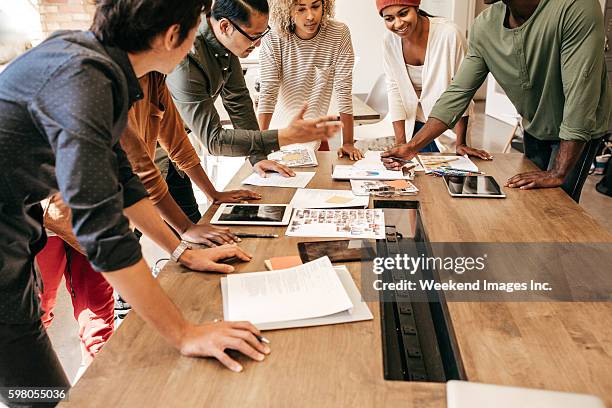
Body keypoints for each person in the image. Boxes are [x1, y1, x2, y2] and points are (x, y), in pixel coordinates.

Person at [0, 1, 269, 402]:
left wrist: (181, 248)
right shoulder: (85, 79)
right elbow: (101, 231)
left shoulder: (97, 64)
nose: (197, 40)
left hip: (16, 217)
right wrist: (183, 333)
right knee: (39, 392)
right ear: (172, 36)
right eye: (196, 30)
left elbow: (121, 176)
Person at [382, 0, 611, 202]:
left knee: (559, 212)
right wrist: (411, 147)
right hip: (535, 126)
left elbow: (581, 96)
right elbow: (457, 93)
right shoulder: (485, 25)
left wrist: (559, 172)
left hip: (577, 134)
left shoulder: (575, 7)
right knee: (529, 203)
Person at [166, 0, 342, 174]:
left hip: (176, 144)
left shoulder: (226, 41)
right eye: (252, 36)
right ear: (225, 27)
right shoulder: (186, 59)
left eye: (261, 34)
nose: (257, 44)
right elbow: (215, 140)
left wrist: (258, 158)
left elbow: (239, 102)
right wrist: (286, 136)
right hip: (153, 152)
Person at [377, 0, 490, 158]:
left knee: (447, 177)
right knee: (414, 177)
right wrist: (401, 143)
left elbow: (462, 90)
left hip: (446, 125)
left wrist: (460, 143)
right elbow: (394, 90)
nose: (398, 23)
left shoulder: (449, 34)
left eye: (403, 13)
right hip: (411, 123)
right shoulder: (389, 41)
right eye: (389, 19)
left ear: (416, 7)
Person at [258, 0, 364, 160]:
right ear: (286, 9)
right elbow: (268, 93)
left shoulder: (339, 33)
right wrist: (259, 145)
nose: (310, 16)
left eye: (315, 6)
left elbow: (344, 90)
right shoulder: (273, 37)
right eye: (301, 9)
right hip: (276, 135)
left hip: (314, 136)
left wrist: (348, 142)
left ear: (325, 4)